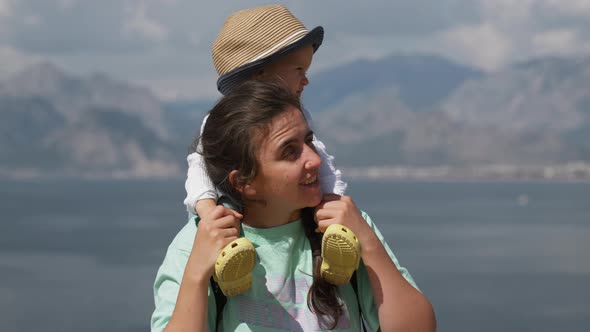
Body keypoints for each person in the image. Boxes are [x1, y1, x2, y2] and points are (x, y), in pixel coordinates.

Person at [151, 81, 436, 331]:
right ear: (244, 182)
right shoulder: (197, 244)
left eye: (308, 141)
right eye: (290, 151)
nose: (314, 159)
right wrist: (196, 274)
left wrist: (368, 243)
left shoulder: (345, 228)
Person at [183, 4, 358, 296]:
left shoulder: (299, 116)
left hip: (296, 214)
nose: (306, 79)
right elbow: (199, 167)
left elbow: (322, 159)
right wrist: (207, 210)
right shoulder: (220, 125)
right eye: (299, 69)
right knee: (226, 230)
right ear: (261, 76)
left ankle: (334, 253)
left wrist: (334, 198)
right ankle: (228, 272)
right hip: (230, 215)